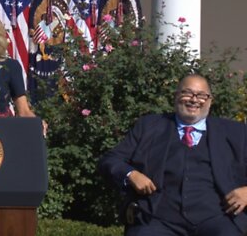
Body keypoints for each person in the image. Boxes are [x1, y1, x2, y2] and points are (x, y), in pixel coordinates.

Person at [98, 74, 247, 236]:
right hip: (158, 219)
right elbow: (110, 160)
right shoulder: (149, 126)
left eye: (202, 95)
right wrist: (131, 174)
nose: (194, 99)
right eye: (187, 93)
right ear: (175, 97)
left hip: (217, 218)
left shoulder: (236, 132)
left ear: (210, 100)